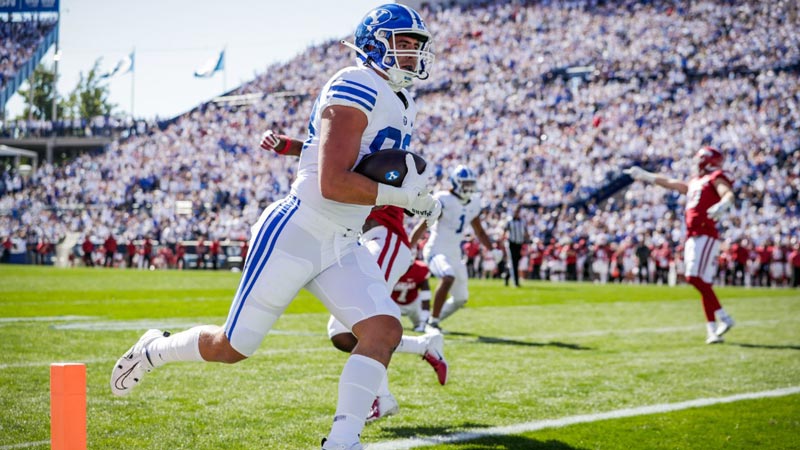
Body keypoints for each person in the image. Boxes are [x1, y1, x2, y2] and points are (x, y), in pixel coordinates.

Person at [110, 5, 440, 450]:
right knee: (233, 347)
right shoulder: (354, 82)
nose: (412, 54)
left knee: (384, 330)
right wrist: (406, 198)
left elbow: (376, 171)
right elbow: (333, 181)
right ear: (375, 43)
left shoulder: (403, 100)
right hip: (298, 230)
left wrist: (415, 192)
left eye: (416, 46)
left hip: (342, 239)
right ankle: (156, 348)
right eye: (404, 43)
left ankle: (342, 442)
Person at [258, 131, 448, 422]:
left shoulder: (387, 155)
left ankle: (383, 396)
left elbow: (409, 188)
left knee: (355, 326)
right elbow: (322, 155)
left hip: (385, 240)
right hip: (371, 242)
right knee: (342, 332)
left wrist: (287, 146)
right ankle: (422, 347)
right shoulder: (365, 149)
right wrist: (284, 145)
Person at [625, 146, 737, 344]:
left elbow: (727, 193)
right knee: (704, 286)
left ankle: (724, 316)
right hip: (693, 235)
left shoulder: (715, 177)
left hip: (705, 233)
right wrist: (646, 176)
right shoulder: (695, 182)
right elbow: (670, 183)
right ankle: (712, 331)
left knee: (693, 278)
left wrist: (723, 204)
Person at [411, 165, 493, 333]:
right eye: (465, 183)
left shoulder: (474, 202)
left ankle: (430, 319)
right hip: (436, 250)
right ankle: (433, 322)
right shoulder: (444, 199)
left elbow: (479, 231)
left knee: (461, 298)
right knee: (447, 276)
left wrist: (491, 250)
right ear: (456, 183)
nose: (469, 187)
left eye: (471, 183)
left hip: (455, 254)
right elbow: (424, 225)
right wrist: (409, 246)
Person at [503, 205, 530, 287]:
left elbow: (525, 232)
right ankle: (516, 282)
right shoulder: (509, 221)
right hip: (511, 243)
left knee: (516, 262)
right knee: (513, 262)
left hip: (519, 243)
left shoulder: (522, 221)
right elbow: (504, 232)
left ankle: (507, 275)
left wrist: (527, 241)